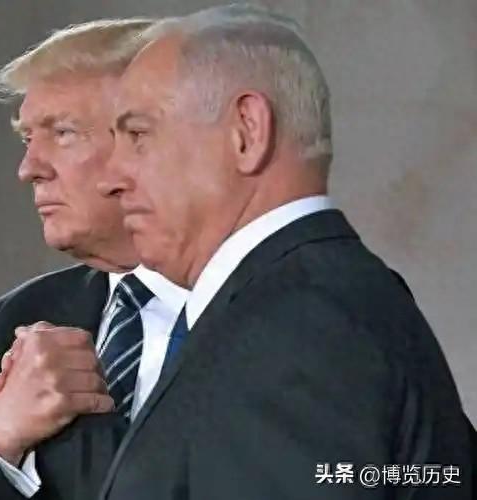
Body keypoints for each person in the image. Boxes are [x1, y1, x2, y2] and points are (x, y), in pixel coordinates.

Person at [95, 4, 473, 499]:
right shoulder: (328, 299)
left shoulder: (294, 327)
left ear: (247, 131)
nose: (111, 178)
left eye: (139, 134)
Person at [0, 18, 188, 500]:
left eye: (62, 132)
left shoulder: (265, 299)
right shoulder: (18, 320)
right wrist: (2, 435)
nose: (29, 169)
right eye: (27, 139)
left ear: (147, 141)